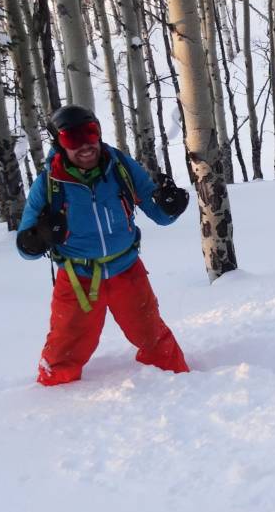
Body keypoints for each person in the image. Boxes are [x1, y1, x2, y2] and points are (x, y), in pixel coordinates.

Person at [16, 105, 194, 386]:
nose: (85, 145)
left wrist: (170, 206)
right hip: (78, 279)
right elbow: (24, 247)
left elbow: (158, 214)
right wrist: (40, 235)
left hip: (127, 270)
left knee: (152, 337)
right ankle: (53, 407)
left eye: (90, 133)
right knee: (64, 351)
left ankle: (182, 387)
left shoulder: (120, 167)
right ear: (59, 144)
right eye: (72, 139)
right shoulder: (49, 183)